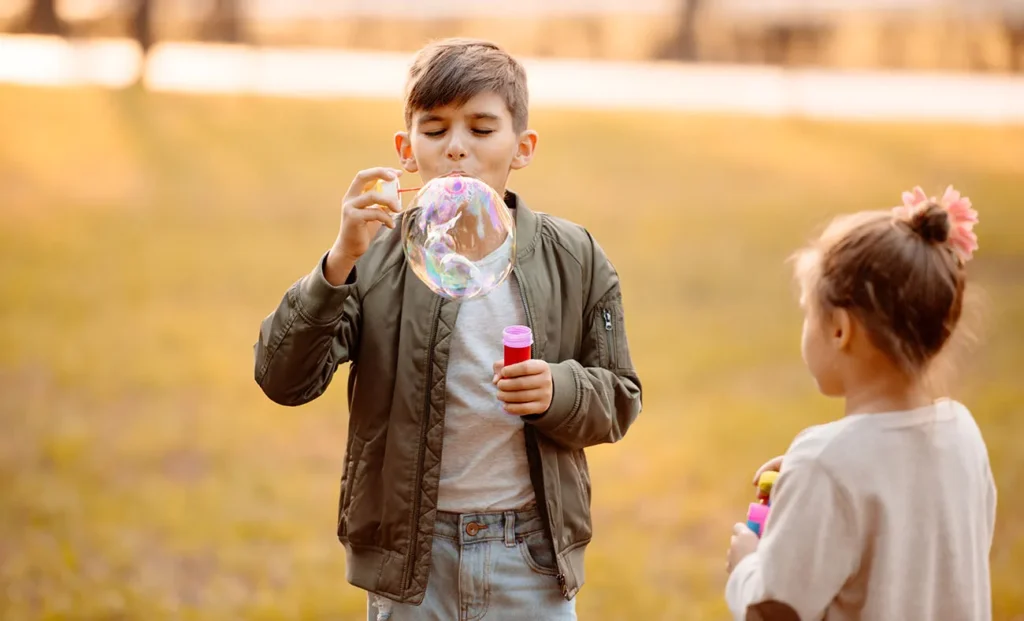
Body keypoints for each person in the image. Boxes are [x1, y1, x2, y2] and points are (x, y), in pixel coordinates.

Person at [253, 37, 642, 620]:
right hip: (414, 561)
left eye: (481, 129)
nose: (456, 148)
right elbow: (283, 378)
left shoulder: (574, 256)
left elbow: (620, 395)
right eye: (435, 131)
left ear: (523, 146)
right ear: (406, 150)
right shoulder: (376, 257)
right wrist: (338, 262)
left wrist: (559, 391)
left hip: (531, 558)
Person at [724, 185, 996, 620]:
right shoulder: (963, 434)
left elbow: (772, 611)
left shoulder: (826, 466)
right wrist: (810, 483)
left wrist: (746, 566)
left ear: (839, 330)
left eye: (808, 312)